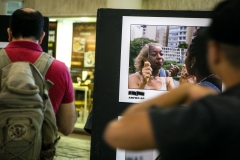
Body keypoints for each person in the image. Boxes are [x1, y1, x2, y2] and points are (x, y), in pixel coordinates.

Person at [104, 0, 240, 159]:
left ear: (214, 51)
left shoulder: (212, 112)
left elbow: (117, 132)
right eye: (154, 54)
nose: (160, 58)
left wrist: (185, 89)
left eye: (186, 54)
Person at [4, 8, 76, 136]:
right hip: (38, 153)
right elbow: (67, 127)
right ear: (42, 36)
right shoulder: (59, 69)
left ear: (9, 33)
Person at [181, 28, 222, 92]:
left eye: (186, 55)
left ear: (193, 61)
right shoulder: (220, 83)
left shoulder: (197, 93)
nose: (185, 59)